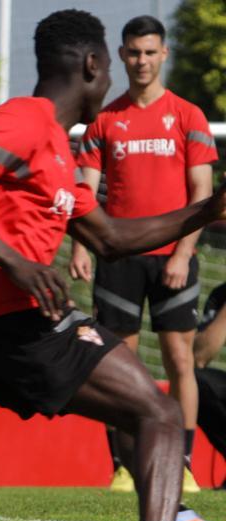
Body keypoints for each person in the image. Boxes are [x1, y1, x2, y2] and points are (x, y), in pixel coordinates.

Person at [0, 9, 226, 521]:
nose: (111, 81)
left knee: (146, 407)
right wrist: (16, 262)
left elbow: (110, 239)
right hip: (1, 323)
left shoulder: (58, 148)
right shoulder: (26, 120)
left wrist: (206, 210)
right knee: (160, 412)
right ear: (93, 63)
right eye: (108, 69)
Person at [69, 15, 217, 494]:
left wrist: (182, 252)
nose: (142, 61)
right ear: (122, 54)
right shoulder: (105, 121)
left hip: (174, 257)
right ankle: (126, 466)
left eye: (150, 52)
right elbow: (85, 193)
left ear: (164, 54)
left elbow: (202, 192)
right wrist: (81, 244)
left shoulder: (189, 116)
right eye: (134, 52)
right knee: (119, 366)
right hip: (118, 258)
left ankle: (186, 463)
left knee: (181, 361)